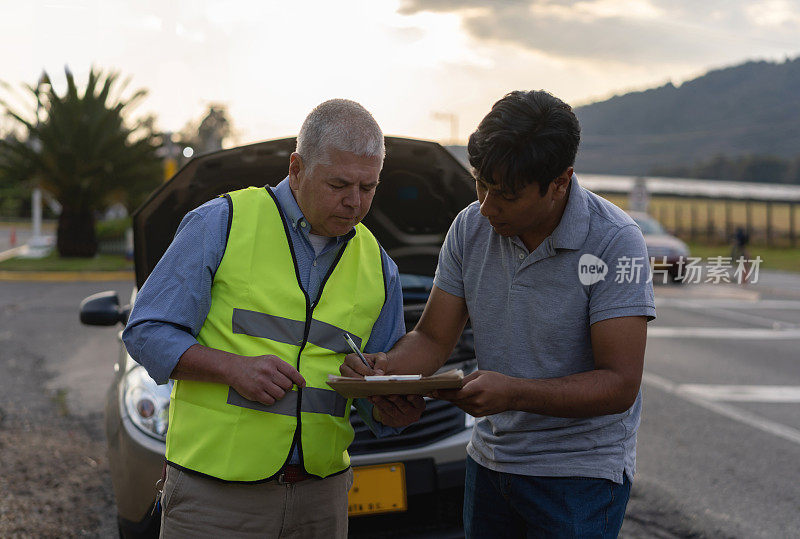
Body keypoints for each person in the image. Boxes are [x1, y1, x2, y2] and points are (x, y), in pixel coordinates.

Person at [342, 90, 656, 538]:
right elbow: (432, 339)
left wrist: (515, 393)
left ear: (561, 182)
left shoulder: (615, 241)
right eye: (480, 184)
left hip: (579, 478)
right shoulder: (471, 227)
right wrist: (385, 370)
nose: (488, 206)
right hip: (489, 463)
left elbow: (619, 383)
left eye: (507, 194)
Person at [123, 99, 424, 538]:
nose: (355, 202)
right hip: (215, 500)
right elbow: (146, 330)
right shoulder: (220, 223)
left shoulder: (380, 267)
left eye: (368, 187)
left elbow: (376, 391)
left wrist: (394, 409)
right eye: (339, 184)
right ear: (296, 167)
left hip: (322, 501)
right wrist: (232, 368)